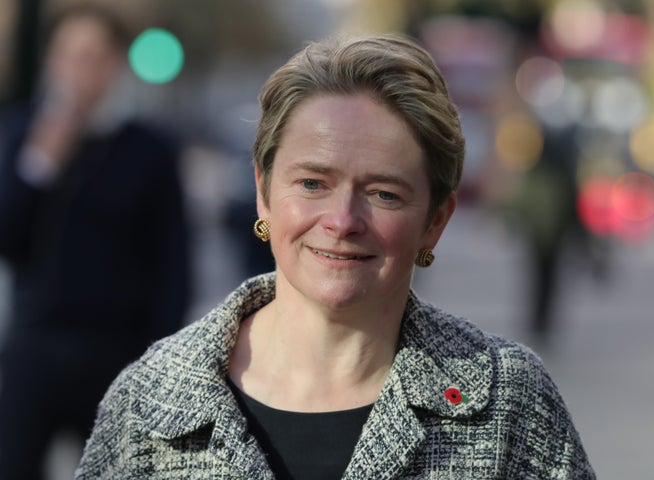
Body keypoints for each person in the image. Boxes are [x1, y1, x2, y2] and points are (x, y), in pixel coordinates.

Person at [76, 34, 594, 479]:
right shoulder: (150, 400)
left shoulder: (508, 403)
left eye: (384, 193)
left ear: (435, 221)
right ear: (263, 192)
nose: (343, 220)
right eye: (312, 183)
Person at [0, 5, 191, 479]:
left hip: (117, 354)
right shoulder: (23, 133)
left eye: (93, 57)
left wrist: (159, 359)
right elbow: (7, 236)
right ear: (51, 61)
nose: (80, 71)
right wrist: (38, 167)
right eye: (69, 56)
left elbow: (173, 264)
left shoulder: (149, 149)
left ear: (115, 66)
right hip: (34, 347)